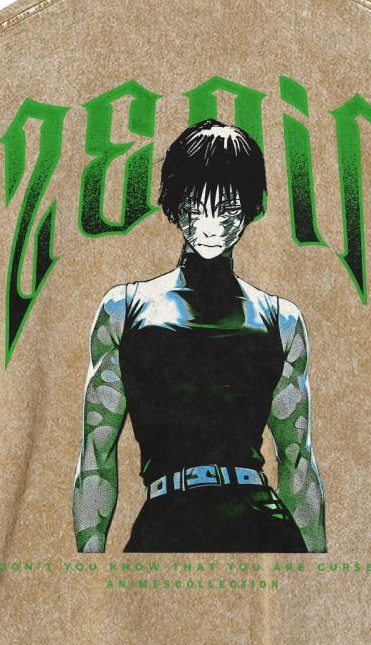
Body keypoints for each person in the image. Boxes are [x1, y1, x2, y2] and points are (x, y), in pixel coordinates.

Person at [72, 120, 326, 553]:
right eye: (196, 205)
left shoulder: (282, 320)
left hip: (261, 527)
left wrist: (319, 578)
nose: (210, 225)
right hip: (165, 526)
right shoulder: (123, 310)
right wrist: (87, 574)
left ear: (249, 209)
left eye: (226, 207)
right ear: (175, 205)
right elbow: (96, 458)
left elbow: (297, 462)